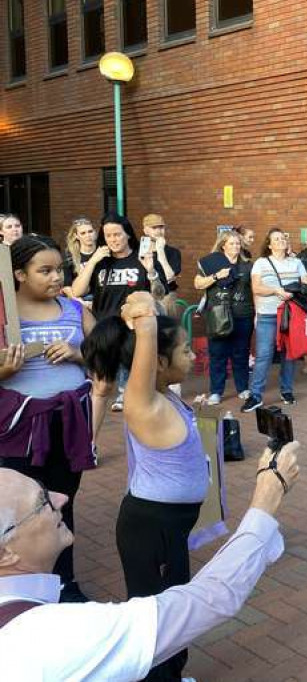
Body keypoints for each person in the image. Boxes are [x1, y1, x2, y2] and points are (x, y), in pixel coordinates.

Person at [0, 441, 300, 679]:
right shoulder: (50, 639)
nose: (61, 498)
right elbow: (212, 598)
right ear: (5, 553)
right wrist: (267, 496)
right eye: (42, 500)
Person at [82, 291, 209, 680]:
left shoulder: (164, 396)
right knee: (157, 618)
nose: (193, 357)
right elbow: (149, 323)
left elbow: (158, 313)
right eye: (185, 352)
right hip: (150, 526)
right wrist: (142, 315)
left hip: (168, 527)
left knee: (173, 607)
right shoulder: (142, 401)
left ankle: (172, 674)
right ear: (156, 361)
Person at [0, 236, 102, 604]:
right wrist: (4, 371)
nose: (56, 277)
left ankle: (65, 585)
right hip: (18, 429)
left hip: (68, 423)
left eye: (59, 269)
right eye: (44, 270)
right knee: (17, 511)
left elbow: (106, 363)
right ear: (19, 274)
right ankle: (16, 591)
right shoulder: (4, 314)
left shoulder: (74, 309)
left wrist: (78, 355)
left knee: (61, 504)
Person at [70, 213, 167, 412]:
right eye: (108, 235)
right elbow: (77, 291)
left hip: (134, 331)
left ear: (128, 234)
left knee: (136, 389)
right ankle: (91, 440)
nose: (113, 240)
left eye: (117, 234)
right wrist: (93, 261)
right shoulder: (101, 262)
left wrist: (150, 270)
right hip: (105, 329)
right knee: (101, 387)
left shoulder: (142, 258)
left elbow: (159, 293)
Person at [242, 229, 307, 411]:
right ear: (269, 245)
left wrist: (295, 290)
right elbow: (256, 288)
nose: (281, 241)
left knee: (289, 354)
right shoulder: (261, 264)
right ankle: (255, 395)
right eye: (276, 239)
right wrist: (276, 291)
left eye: (283, 238)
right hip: (268, 315)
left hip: (290, 314)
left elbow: (306, 284)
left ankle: (286, 390)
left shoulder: (297, 262)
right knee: (264, 355)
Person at [194, 229, 254, 405]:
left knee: (241, 353)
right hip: (218, 315)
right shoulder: (212, 263)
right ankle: (216, 391)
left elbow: (254, 289)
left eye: (237, 243)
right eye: (231, 243)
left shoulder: (247, 265)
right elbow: (197, 283)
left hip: (243, 315)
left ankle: (243, 388)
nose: (236, 246)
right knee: (218, 353)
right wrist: (215, 276)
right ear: (223, 246)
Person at [142, 214, 182, 304]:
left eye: (161, 227)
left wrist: (160, 251)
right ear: (145, 230)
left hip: (166, 296)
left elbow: (169, 277)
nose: (159, 231)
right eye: (154, 228)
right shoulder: (140, 253)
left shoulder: (173, 252)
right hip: (145, 297)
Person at [62, 217, 97, 292]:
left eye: (90, 231)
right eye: (83, 233)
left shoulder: (102, 252)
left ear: (94, 232)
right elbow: (66, 286)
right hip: (80, 296)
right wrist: (77, 300)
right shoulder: (70, 257)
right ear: (76, 236)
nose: (88, 235)